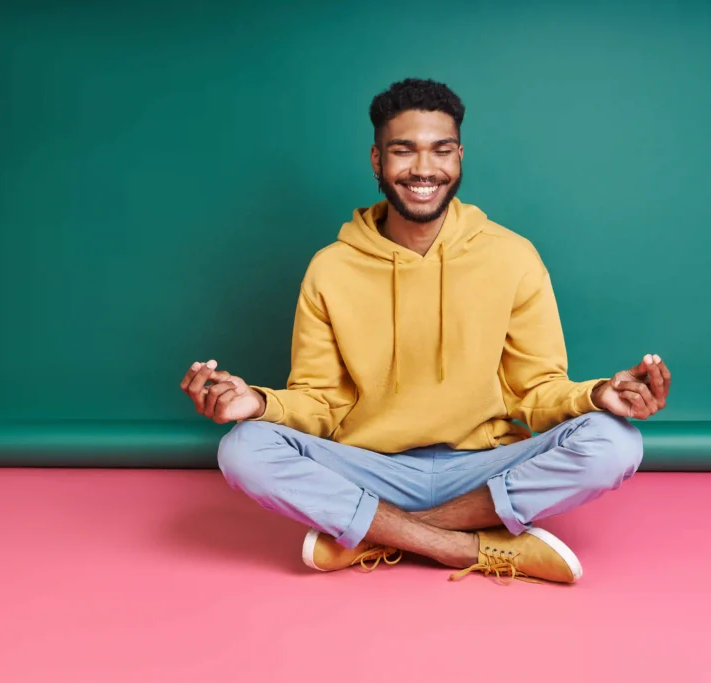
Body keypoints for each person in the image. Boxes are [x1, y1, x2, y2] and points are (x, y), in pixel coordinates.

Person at [180, 78, 670, 585]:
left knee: (616, 441)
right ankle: (469, 548)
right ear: (376, 160)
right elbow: (319, 402)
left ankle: (377, 535)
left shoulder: (512, 257)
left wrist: (597, 395)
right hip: (370, 468)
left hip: (482, 466)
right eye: (403, 150)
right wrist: (257, 405)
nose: (423, 169)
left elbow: (536, 391)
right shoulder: (330, 269)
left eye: (441, 150)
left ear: (459, 156)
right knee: (242, 448)